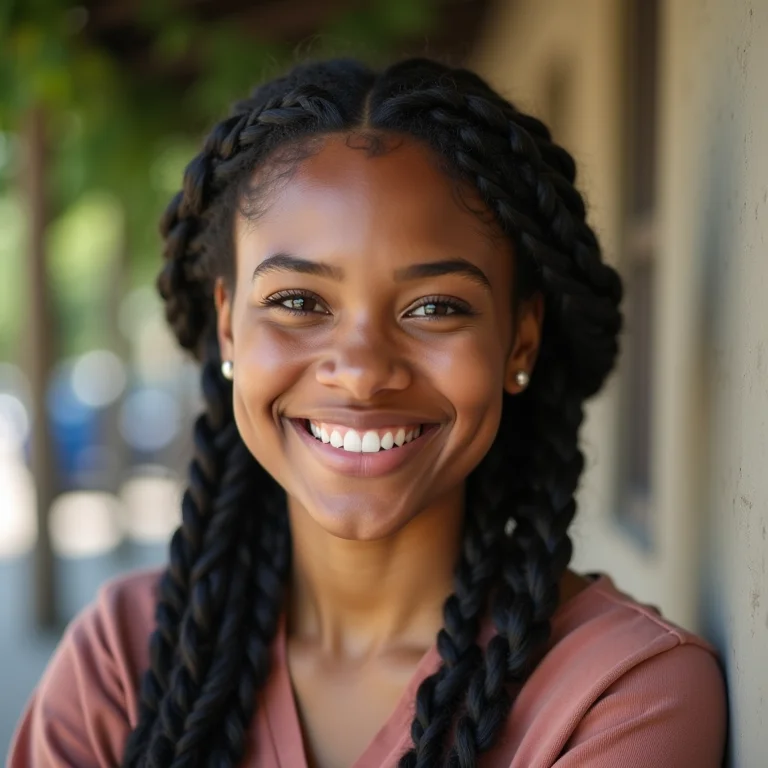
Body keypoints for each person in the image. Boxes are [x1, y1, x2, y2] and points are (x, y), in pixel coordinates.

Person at [8, 57, 727, 768]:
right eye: (297, 302)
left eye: (436, 308)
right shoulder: (121, 660)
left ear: (520, 341)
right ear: (229, 326)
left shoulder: (623, 696)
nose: (360, 372)